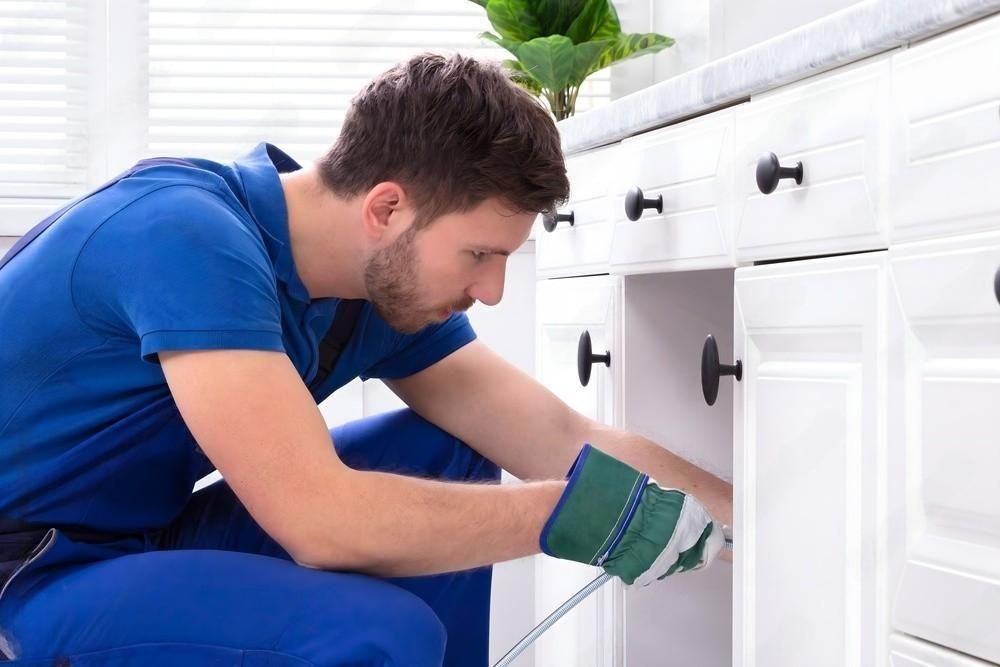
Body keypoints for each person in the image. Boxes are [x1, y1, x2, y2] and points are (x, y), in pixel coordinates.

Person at [0, 52, 732, 666]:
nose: (493, 289)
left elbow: (563, 440)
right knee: (386, 633)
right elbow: (321, 523)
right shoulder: (183, 236)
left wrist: (755, 525)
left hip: (133, 537)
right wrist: (573, 513)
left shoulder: (371, 295)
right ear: (386, 209)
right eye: (479, 253)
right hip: (22, 572)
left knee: (447, 448)